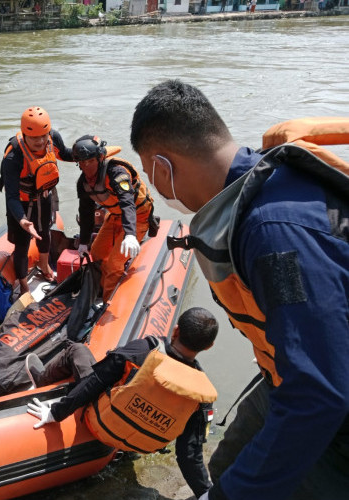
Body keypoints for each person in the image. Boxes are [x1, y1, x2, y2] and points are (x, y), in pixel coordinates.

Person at [129, 79, 349, 499]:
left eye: (149, 172)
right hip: (282, 377)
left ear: (162, 165)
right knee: (226, 464)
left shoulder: (275, 232)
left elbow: (320, 394)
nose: (155, 187)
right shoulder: (255, 185)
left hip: (332, 408)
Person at [26, 307, 219, 499]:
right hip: (139, 444)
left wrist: (55, 412)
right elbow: (189, 455)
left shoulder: (142, 351)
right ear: (208, 347)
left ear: (176, 330)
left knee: (77, 350)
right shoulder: (200, 395)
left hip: (100, 422)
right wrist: (205, 493)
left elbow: (95, 381)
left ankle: (42, 379)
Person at [0, 106, 73, 294]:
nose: (40, 141)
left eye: (43, 136)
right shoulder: (13, 156)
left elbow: (64, 153)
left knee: (45, 232)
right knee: (22, 244)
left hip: (45, 196)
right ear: (24, 135)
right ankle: (23, 285)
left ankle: (45, 265)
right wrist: (23, 220)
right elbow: (11, 196)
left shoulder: (53, 137)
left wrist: (88, 152)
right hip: (21, 204)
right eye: (34, 138)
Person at [72, 134, 156, 301]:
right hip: (115, 216)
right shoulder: (84, 183)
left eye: (90, 161)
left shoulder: (117, 172)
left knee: (114, 264)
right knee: (95, 253)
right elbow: (86, 213)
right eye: (82, 163)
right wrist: (83, 242)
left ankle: (108, 301)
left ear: (100, 158)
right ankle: (99, 289)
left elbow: (127, 203)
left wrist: (130, 234)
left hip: (137, 217)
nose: (87, 166)